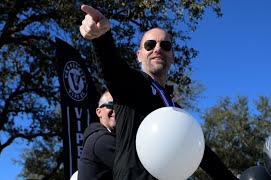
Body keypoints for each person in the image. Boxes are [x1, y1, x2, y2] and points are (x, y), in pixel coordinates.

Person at [79, 5, 238, 180]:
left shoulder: (174, 109)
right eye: (150, 45)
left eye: (165, 45)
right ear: (139, 55)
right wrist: (101, 37)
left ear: (172, 56)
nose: (157, 49)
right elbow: (112, 68)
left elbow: (202, 153)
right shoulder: (132, 86)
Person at [78, 91, 116, 180]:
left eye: (119, 106)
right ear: (99, 112)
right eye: (111, 105)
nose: (116, 109)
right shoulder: (101, 139)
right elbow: (133, 169)